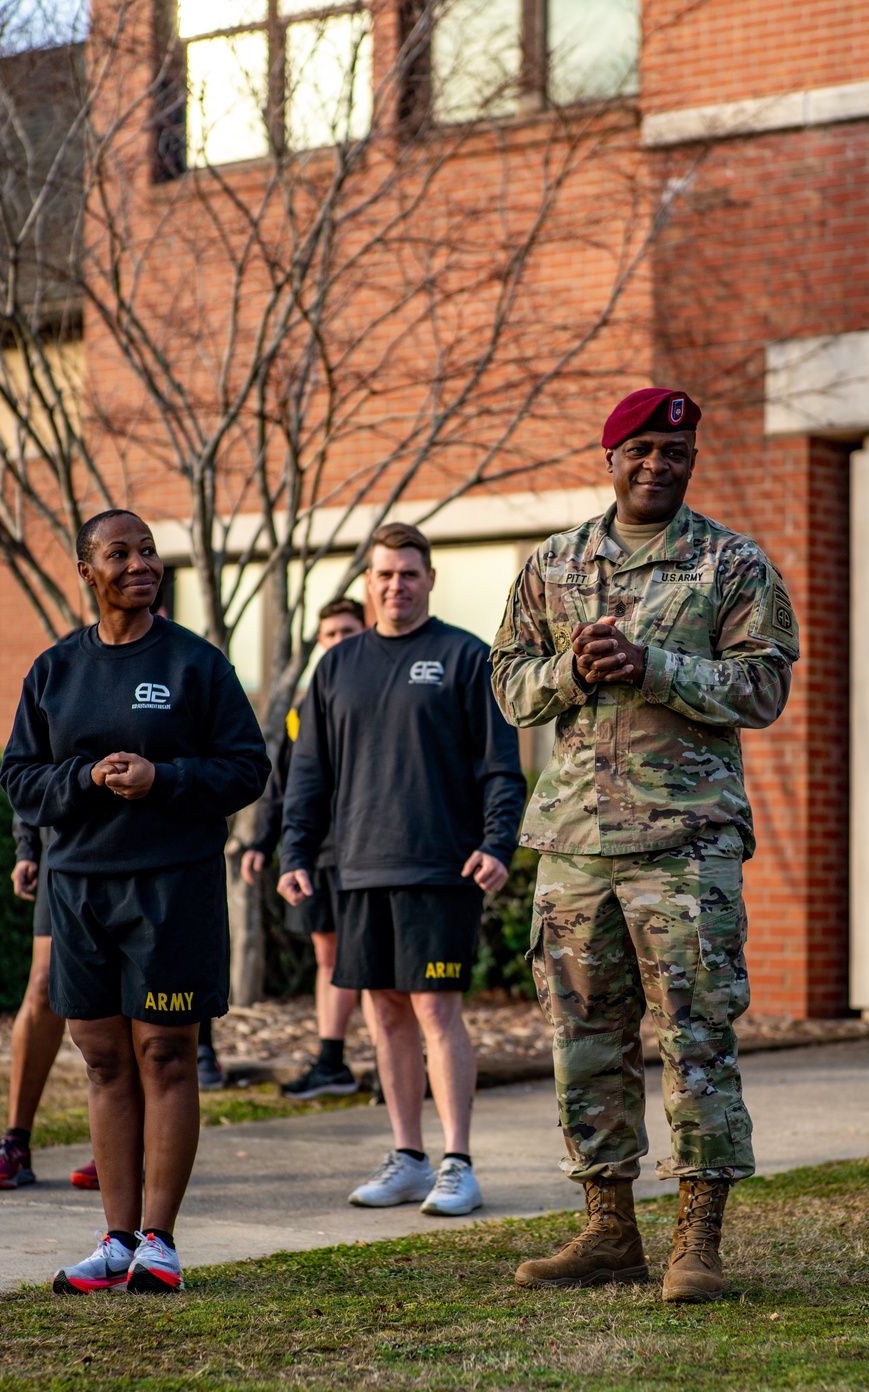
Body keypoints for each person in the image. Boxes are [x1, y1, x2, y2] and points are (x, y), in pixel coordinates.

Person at [490, 388, 800, 1301]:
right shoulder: (551, 565)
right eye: (642, 449)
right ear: (611, 456)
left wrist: (654, 665)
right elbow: (509, 683)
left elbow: (763, 689)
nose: (658, 464)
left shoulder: (730, 563)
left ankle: (696, 1240)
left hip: (685, 843)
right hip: (577, 842)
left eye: (675, 449)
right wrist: (567, 671)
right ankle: (608, 1229)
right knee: (583, 1038)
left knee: (696, 1039)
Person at [0, 509, 270, 1295]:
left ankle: (160, 1240)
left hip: (171, 888)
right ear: (89, 571)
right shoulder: (54, 671)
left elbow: (246, 768)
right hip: (78, 888)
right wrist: (83, 778)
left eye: (147, 550)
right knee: (106, 1059)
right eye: (119, 553)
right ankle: (115, 1241)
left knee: (164, 1053)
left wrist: (163, 778)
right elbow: (20, 778)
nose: (139, 563)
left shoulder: (196, 664)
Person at [279, 523, 526, 1216]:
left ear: (429, 579)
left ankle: (459, 1162)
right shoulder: (335, 666)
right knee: (383, 1013)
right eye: (384, 574)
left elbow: (501, 767)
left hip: (440, 868)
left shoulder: (465, 657)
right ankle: (409, 1156)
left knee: (436, 1011)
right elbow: (308, 774)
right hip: (358, 869)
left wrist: (498, 843)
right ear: (368, 582)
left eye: (408, 573)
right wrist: (295, 852)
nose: (396, 585)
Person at [241, 597, 374, 1100]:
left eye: (347, 631)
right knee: (329, 956)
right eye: (330, 634)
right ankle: (331, 1061)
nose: (338, 641)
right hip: (317, 851)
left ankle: (390, 1065)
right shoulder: (304, 707)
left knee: (374, 964)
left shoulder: (379, 691)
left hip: (367, 849)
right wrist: (262, 840)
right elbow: (288, 780)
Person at [0, 818, 98, 1192]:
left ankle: (122, 1147)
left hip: (135, 845)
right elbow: (28, 762)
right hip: (62, 843)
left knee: (123, 993)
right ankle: (15, 1142)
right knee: (43, 983)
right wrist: (27, 846)